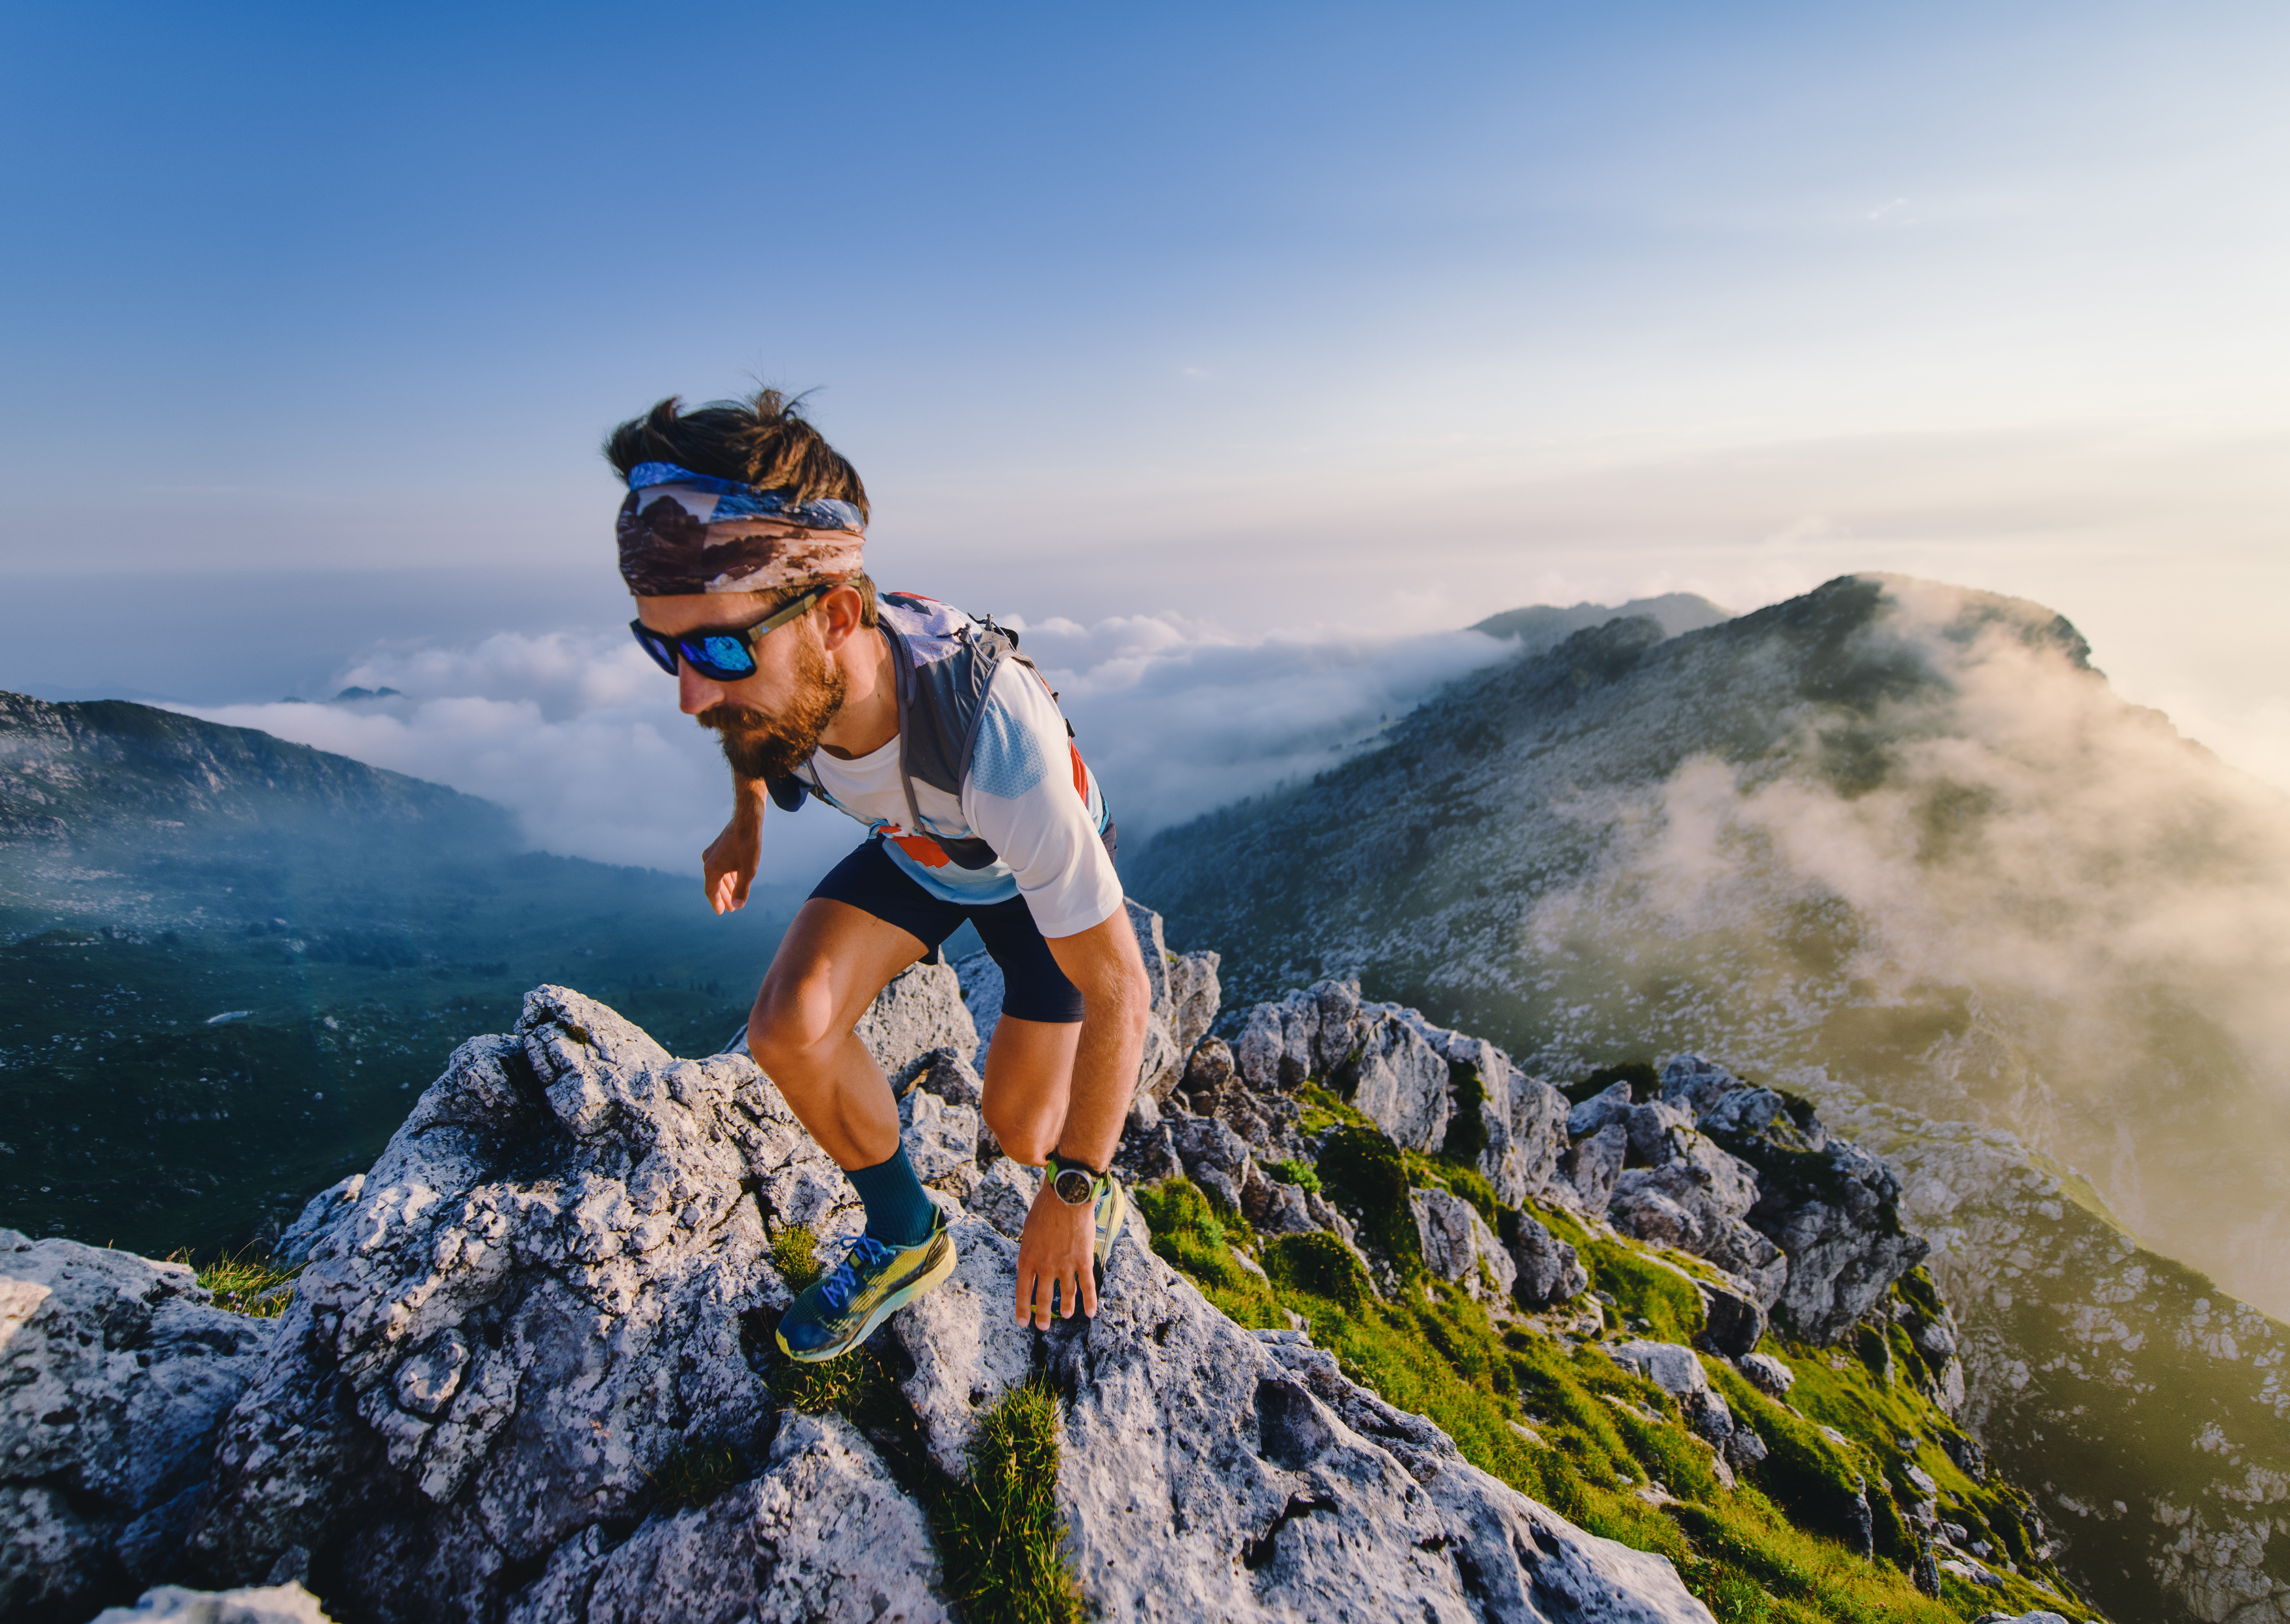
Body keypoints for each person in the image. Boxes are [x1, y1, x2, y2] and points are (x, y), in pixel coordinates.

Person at [607, 389, 1151, 1363]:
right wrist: (744, 824)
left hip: (1021, 877)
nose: (690, 693)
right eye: (664, 647)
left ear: (836, 617)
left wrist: (1072, 1191)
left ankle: (1095, 1186)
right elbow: (744, 724)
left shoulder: (994, 743)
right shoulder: (779, 683)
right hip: (921, 850)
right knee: (788, 1028)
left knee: (1024, 1133)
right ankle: (906, 1236)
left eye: (720, 646)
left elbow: (1122, 988)